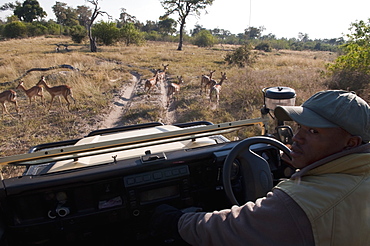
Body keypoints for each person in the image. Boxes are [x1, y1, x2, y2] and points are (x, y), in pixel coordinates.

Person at [151, 90, 370, 246]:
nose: (296, 138)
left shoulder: (303, 202)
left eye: (314, 132)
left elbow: (226, 230)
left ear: (351, 144)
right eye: (300, 127)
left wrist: (175, 220)